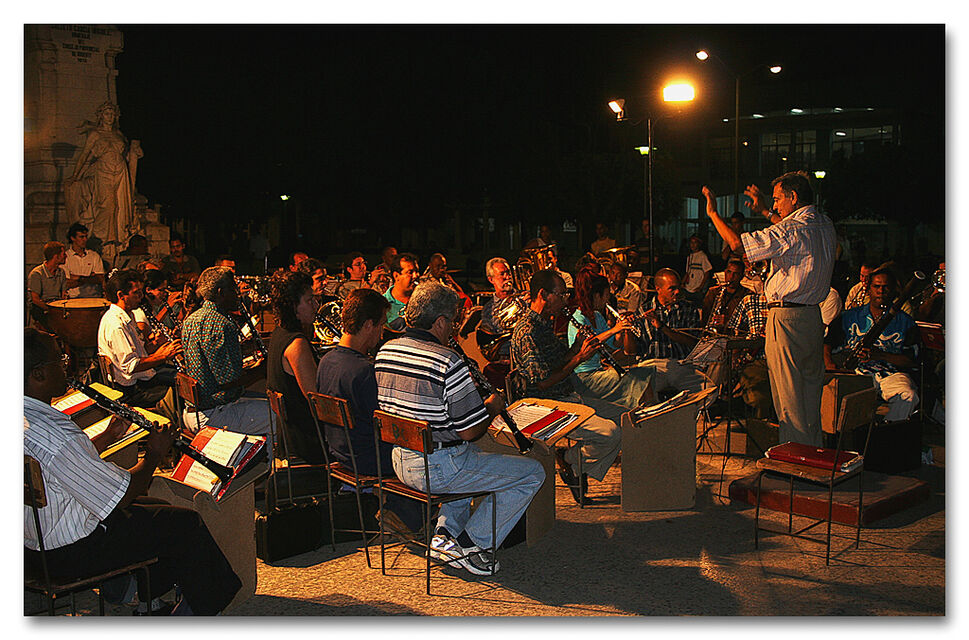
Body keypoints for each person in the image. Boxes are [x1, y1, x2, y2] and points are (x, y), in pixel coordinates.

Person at [24, 327, 241, 615]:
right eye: (60, 360)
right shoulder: (59, 436)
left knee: (157, 508)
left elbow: (60, 466)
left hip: (32, 546)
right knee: (186, 524)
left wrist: (108, 436)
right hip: (68, 554)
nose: (67, 366)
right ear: (38, 374)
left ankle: (144, 599)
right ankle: (200, 612)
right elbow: (123, 495)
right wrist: (154, 454)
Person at [375, 280, 544, 576]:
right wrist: (491, 406)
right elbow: (470, 430)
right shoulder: (446, 360)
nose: (453, 329)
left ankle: (444, 536)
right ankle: (472, 544)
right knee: (532, 473)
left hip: (400, 459)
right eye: (453, 322)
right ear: (440, 322)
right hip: (437, 468)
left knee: (469, 456)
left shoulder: (385, 351)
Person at [704, 172, 836, 447]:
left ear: (793, 197)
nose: (775, 205)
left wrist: (713, 213)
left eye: (777, 200)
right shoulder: (823, 223)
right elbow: (788, 231)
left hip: (787, 318)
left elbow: (737, 245)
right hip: (812, 317)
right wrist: (764, 210)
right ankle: (813, 451)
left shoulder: (792, 229)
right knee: (809, 395)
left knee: (789, 398)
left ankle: (796, 457)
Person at [510, 269, 623, 504]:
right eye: (561, 295)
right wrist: (579, 358)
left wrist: (578, 347)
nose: (565, 301)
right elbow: (542, 383)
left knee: (626, 419)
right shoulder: (528, 331)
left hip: (566, 395)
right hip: (546, 405)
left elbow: (560, 361)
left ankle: (575, 464)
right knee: (610, 433)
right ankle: (571, 460)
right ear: (543, 295)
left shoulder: (543, 324)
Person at [316, 287, 423, 533]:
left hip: (339, 450)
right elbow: (388, 423)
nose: (382, 332)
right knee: (423, 452)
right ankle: (403, 513)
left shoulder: (326, 361)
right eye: (380, 325)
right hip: (367, 458)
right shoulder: (364, 371)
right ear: (368, 325)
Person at [180, 267, 274, 438]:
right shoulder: (222, 324)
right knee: (277, 415)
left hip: (193, 410)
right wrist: (261, 370)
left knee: (262, 403)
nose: (237, 295)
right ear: (220, 293)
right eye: (233, 289)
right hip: (213, 413)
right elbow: (229, 381)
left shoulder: (191, 319)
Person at [824, 268, 920, 422]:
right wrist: (830, 365)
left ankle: (887, 430)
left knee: (908, 395)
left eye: (886, 287)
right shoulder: (849, 317)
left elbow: (911, 361)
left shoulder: (906, 322)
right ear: (868, 289)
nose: (881, 291)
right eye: (876, 286)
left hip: (890, 375)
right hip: (856, 373)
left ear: (893, 290)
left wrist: (880, 355)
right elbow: (827, 343)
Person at [567, 269, 653, 411]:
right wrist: (614, 329)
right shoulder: (578, 319)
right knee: (638, 380)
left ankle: (647, 416)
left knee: (644, 376)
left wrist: (624, 329)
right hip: (584, 378)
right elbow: (591, 342)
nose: (607, 300)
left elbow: (615, 344)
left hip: (598, 371)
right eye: (606, 295)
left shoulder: (597, 316)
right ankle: (646, 418)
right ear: (597, 296)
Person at [64, 101, 142, 254]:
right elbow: (84, 155)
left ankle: (118, 240)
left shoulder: (119, 135)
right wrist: (75, 175)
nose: (110, 117)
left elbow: (126, 156)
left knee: (120, 207)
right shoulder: (95, 134)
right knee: (107, 206)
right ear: (101, 116)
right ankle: (102, 240)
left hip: (121, 171)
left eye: (112, 114)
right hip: (103, 172)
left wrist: (135, 152)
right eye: (107, 114)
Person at [97, 269, 181, 410]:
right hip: (133, 390)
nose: (141, 297)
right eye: (136, 293)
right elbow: (131, 366)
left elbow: (140, 351)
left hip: (141, 378)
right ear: (121, 295)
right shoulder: (116, 325)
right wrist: (163, 356)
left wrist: (156, 344)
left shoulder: (128, 315)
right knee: (182, 386)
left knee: (177, 375)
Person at [266, 271, 322, 463]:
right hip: (305, 442)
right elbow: (316, 399)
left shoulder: (279, 333)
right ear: (293, 306)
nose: (316, 305)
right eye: (309, 300)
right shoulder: (297, 344)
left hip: (289, 435)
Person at [638, 268, 707, 398]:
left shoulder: (688, 308)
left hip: (681, 364)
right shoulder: (644, 310)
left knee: (708, 391)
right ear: (658, 289)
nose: (677, 292)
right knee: (640, 394)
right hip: (653, 365)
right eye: (672, 289)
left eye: (678, 287)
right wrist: (625, 330)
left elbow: (693, 341)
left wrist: (662, 327)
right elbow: (634, 350)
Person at [27, 241, 67, 332]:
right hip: (42, 308)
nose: (66, 256)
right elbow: (35, 299)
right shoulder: (37, 274)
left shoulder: (61, 272)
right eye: (63, 254)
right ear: (56, 257)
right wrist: (51, 310)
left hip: (57, 306)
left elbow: (63, 294)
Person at [702, 259, 752, 331]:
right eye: (729, 272)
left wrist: (728, 320)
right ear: (725, 272)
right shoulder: (713, 292)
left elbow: (748, 323)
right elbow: (705, 317)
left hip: (735, 335)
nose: (731, 277)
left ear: (741, 276)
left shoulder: (747, 295)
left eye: (736, 274)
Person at [63, 222, 106, 298]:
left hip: (93, 297)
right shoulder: (65, 257)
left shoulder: (94, 256)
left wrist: (77, 278)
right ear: (73, 238)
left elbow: (100, 278)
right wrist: (89, 278)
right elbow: (66, 283)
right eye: (81, 237)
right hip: (73, 298)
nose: (85, 240)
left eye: (86, 236)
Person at [383, 252, 420, 330]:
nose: (415, 276)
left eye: (416, 271)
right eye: (410, 272)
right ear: (396, 276)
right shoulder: (382, 305)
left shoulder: (423, 301)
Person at [683, 235, 713, 306]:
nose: (692, 245)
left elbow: (707, 272)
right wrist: (682, 283)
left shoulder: (702, 256)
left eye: (695, 242)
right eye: (691, 243)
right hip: (689, 288)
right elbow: (687, 272)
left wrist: (701, 287)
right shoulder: (689, 256)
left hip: (698, 289)